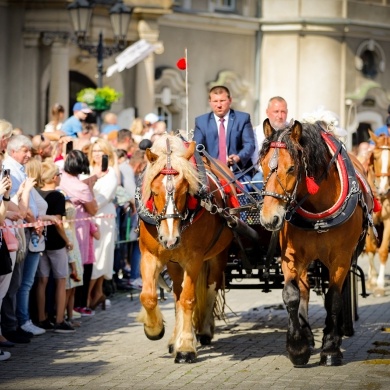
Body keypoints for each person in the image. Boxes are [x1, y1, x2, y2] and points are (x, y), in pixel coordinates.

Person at [1, 135, 45, 343]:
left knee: (18, 282)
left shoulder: (19, 169)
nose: (29, 155)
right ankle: (11, 326)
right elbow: (18, 209)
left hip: (20, 231)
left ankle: (14, 324)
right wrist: (28, 215)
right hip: (13, 232)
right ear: (12, 151)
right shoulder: (9, 171)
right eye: (25, 150)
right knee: (12, 284)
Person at [36, 161, 75, 333]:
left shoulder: (36, 193)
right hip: (56, 243)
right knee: (60, 280)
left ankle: (41, 317)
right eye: (59, 175)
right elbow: (59, 223)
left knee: (42, 281)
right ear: (53, 177)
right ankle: (59, 319)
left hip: (39, 242)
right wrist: (67, 240)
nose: (60, 177)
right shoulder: (57, 196)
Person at [59, 150, 98, 316]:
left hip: (62, 226)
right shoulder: (81, 187)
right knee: (79, 266)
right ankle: (77, 306)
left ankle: (68, 308)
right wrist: (90, 188)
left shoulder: (60, 176)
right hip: (79, 227)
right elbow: (93, 209)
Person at [194, 85, 255, 184]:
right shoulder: (201, 122)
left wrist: (238, 157)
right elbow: (197, 149)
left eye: (222, 101)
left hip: (238, 173)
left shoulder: (242, 119)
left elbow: (250, 145)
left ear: (230, 100)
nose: (219, 105)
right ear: (210, 102)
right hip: (212, 174)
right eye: (215, 101)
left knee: (244, 196)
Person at [87, 139, 118, 309]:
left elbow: (99, 201)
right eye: (95, 150)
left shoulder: (110, 173)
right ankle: (95, 294)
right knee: (91, 257)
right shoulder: (88, 169)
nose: (97, 154)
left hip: (102, 219)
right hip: (85, 219)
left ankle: (94, 294)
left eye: (101, 151)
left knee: (101, 256)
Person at [251, 96, 289, 188]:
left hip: (288, 172)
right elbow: (256, 161)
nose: (280, 116)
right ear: (267, 112)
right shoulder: (257, 132)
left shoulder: (292, 130)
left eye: (283, 112)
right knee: (257, 181)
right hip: (265, 172)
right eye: (276, 112)